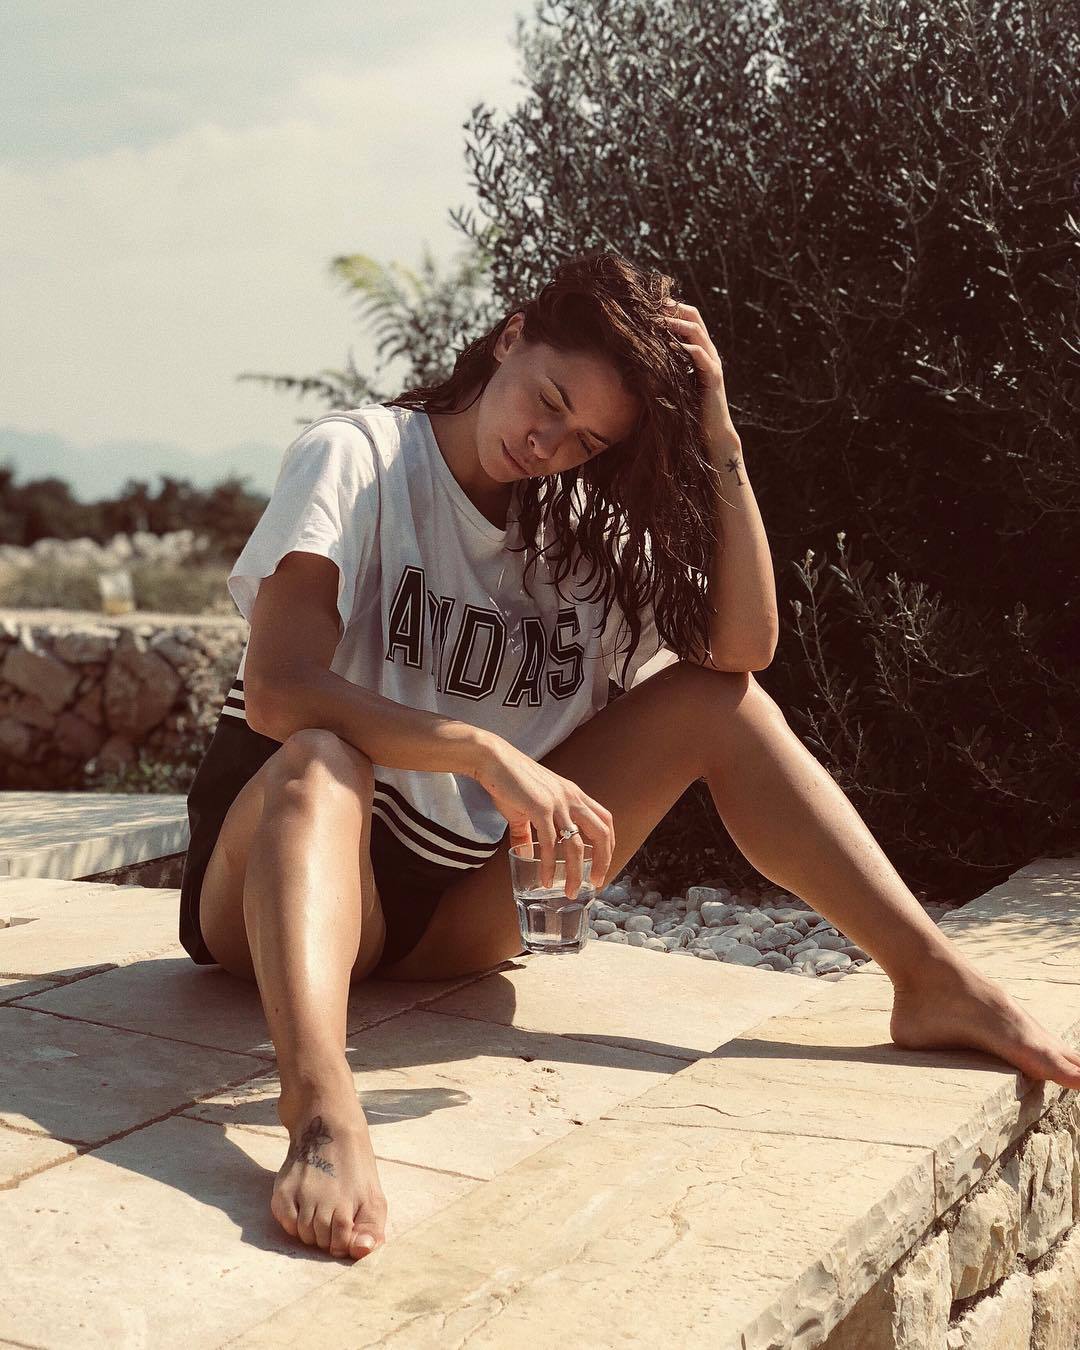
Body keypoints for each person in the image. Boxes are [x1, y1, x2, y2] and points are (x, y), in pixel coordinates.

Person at [178, 249, 1080, 1264]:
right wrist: (479, 750)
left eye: (587, 441)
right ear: (510, 337)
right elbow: (280, 689)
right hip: (274, 878)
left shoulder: (579, 533)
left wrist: (721, 441)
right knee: (320, 758)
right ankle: (320, 1109)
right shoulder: (360, 458)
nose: (548, 446)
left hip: (453, 912)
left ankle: (929, 977)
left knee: (716, 701)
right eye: (549, 402)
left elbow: (742, 649)